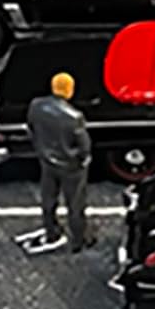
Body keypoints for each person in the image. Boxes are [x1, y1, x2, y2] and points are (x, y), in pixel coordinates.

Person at [23, 71, 93, 254]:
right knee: (75, 203)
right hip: (71, 166)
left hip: (47, 161)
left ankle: (51, 231)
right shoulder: (74, 117)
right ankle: (79, 239)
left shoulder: (36, 105)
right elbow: (84, 146)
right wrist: (83, 159)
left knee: (48, 199)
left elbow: (31, 129)